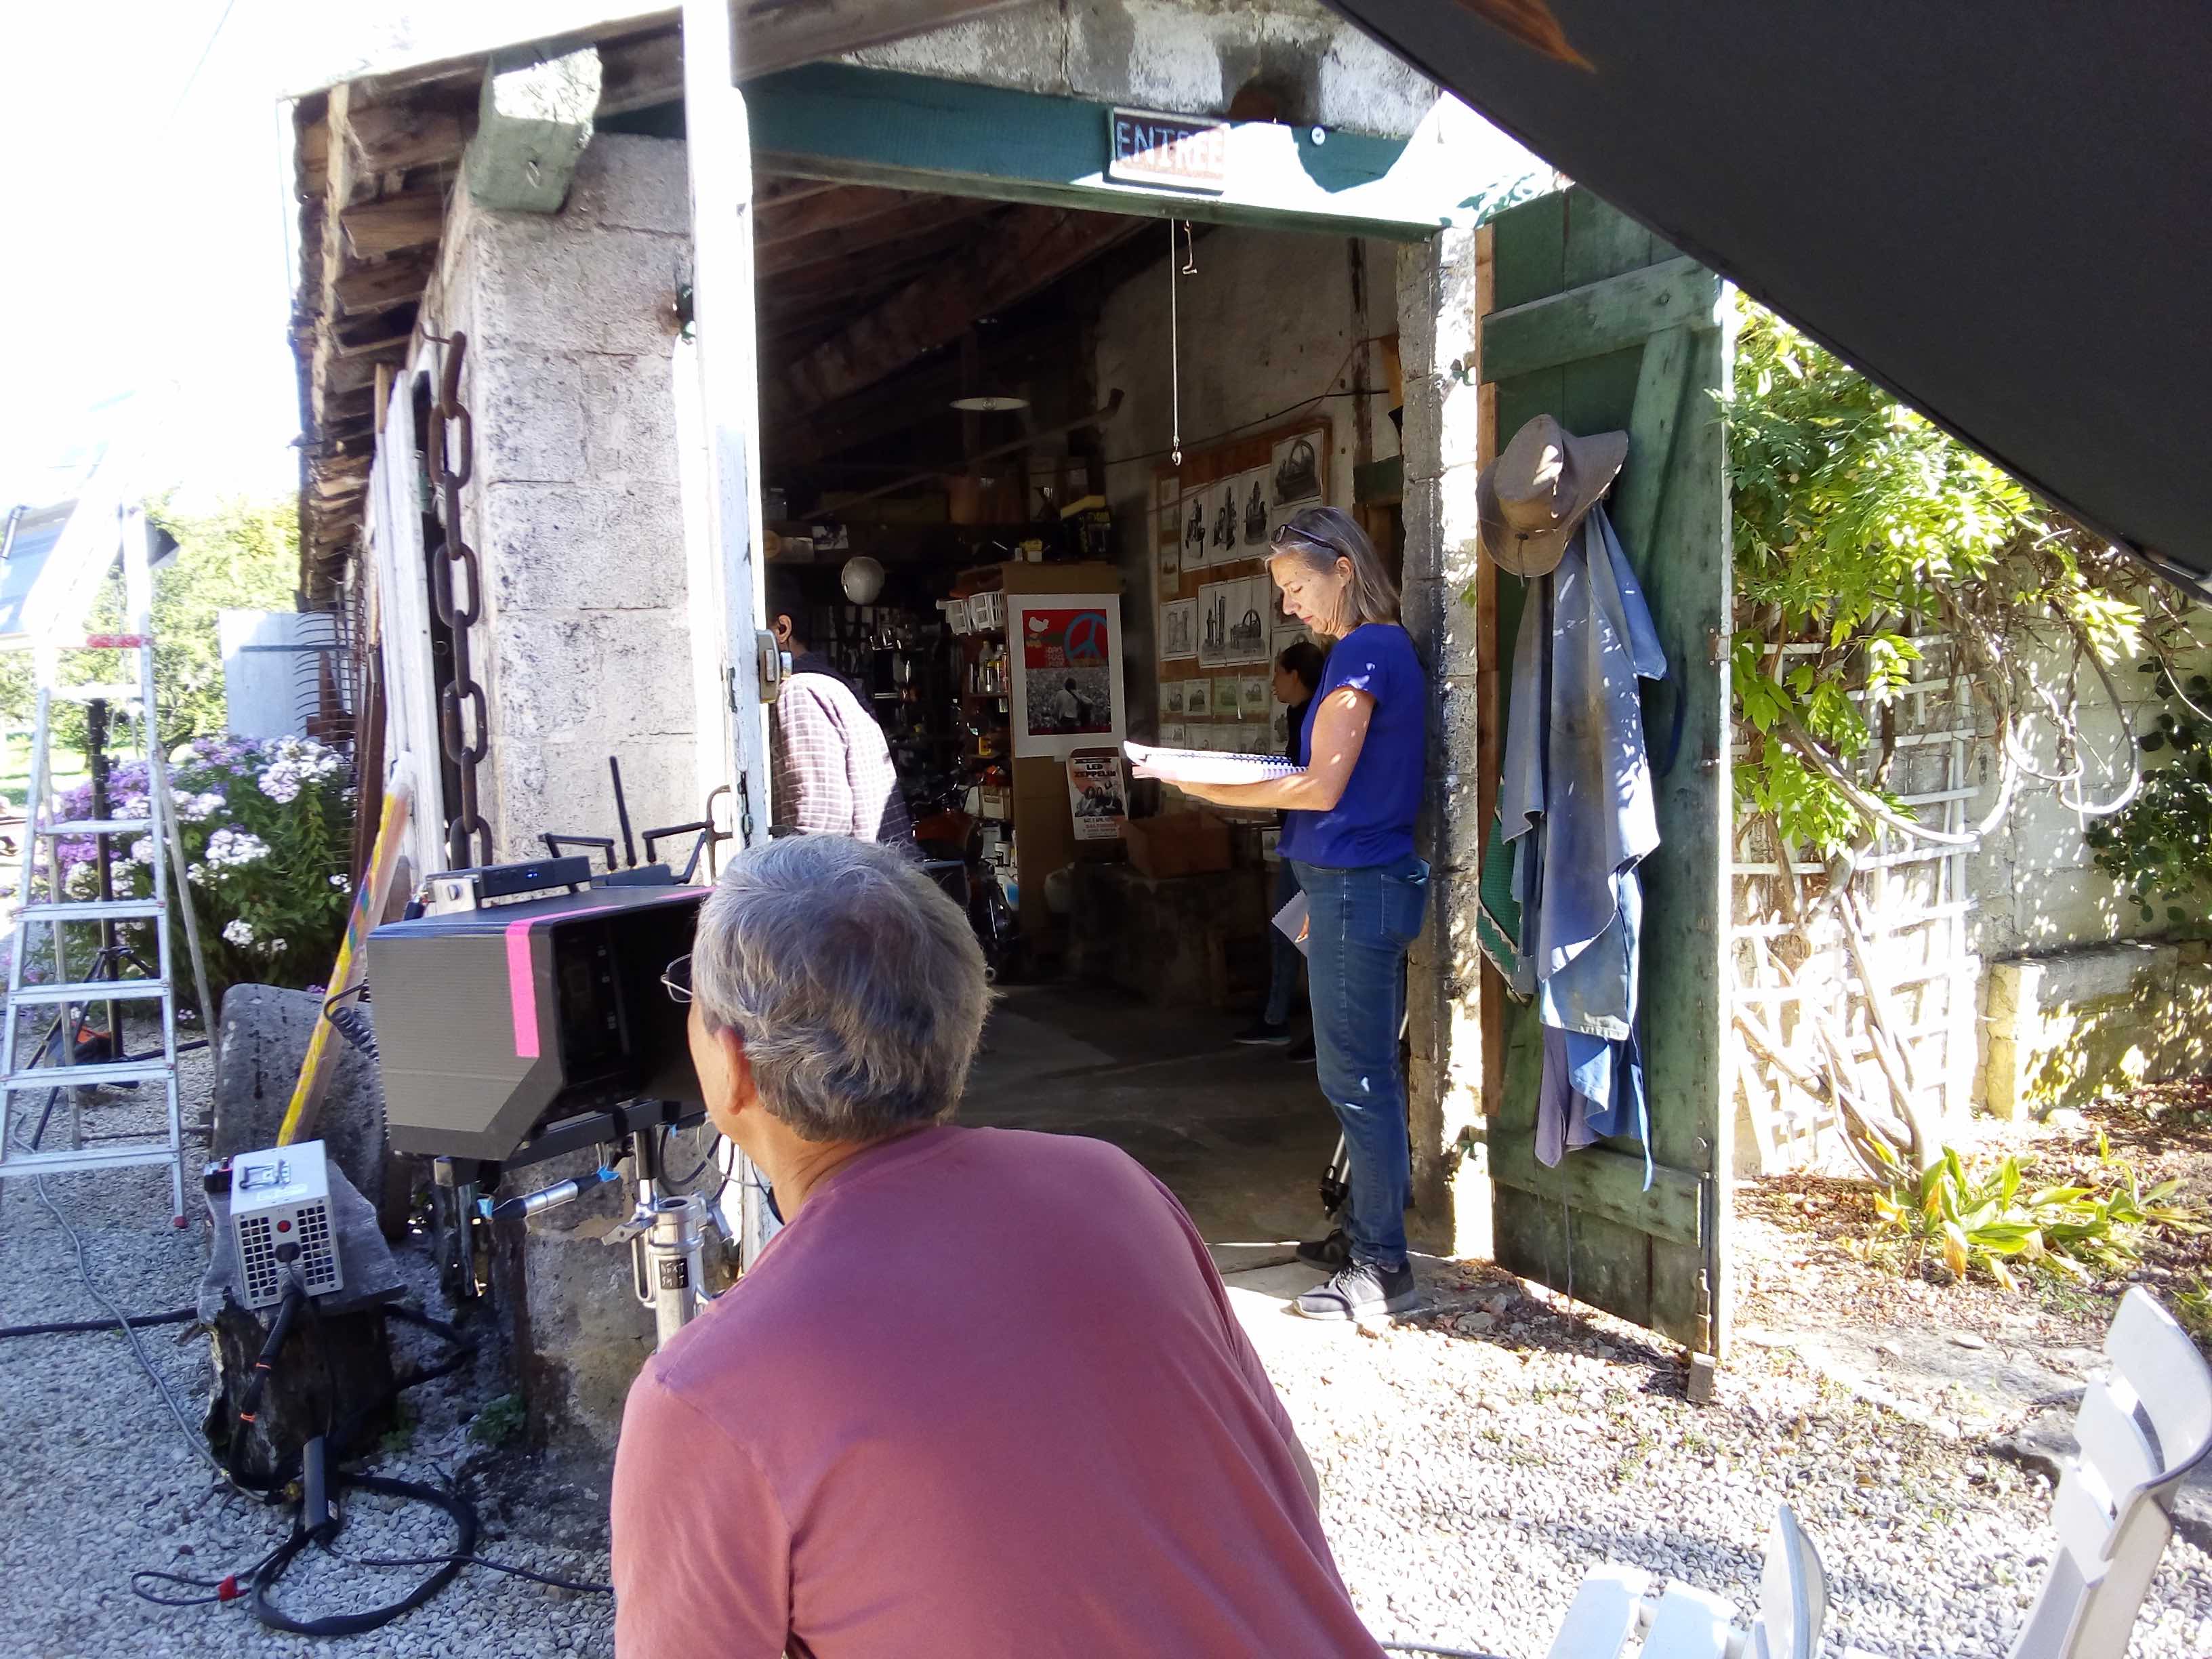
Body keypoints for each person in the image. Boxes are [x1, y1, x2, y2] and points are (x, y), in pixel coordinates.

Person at [612, 835, 1387, 1658]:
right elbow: (1290, 1486)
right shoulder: (1114, 1186)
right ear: (962, 1018)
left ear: (733, 1065)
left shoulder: (708, 1393)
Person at [1134, 506, 1428, 1320]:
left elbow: (1320, 786)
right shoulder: (1365, 652)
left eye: (1298, 585)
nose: (1289, 604)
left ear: (1345, 570)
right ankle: (1367, 1232)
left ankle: (1384, 1266)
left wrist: (1194, 782)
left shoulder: (1366, 651)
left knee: (1355, 1077)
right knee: (1358, 1072)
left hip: (1355, 888)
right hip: (1350, 885)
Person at [765, 569, 912, 843]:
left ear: (782, 629)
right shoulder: (825, 683)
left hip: (844, 868)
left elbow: (819, 823)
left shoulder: (800, 691)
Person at [1236, 638, 1328, 1050]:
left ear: (1295, 675)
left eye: (1278, 673)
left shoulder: (1318, 716)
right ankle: (1276, 1017)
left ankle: (1321, 1031)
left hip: (1314, 840)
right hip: (1294, 835)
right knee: (1287, 927)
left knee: (1311, 935)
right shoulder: (1296, 714)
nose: (1273, 682)